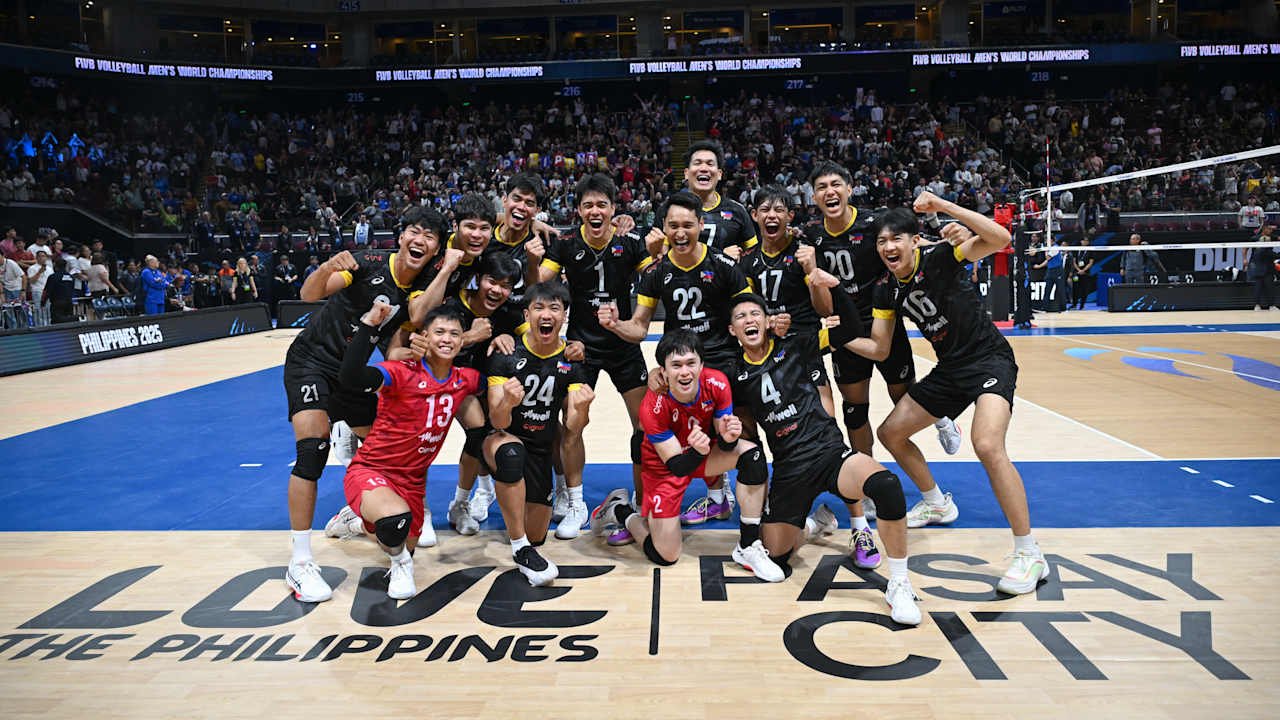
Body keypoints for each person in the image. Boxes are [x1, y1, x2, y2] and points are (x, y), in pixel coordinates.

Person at [868, 192, 1049, 595]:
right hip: (950, 369)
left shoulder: (940, 259)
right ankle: (936, 502)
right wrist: (832, 334)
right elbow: (879, 347)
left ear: (916, 241)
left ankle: (1029, 552)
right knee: (891, 433)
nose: (889, 246)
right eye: (882, 241)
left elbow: (1001, 238)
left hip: (988, 360)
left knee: (986, 444)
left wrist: (945, 208)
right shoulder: (886, 289)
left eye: (897, 238)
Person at [722, 290, 921, 623]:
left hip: (828, 452)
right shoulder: (734, 376)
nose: (749, 320)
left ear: (768, 320)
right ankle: (816, 523)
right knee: (775, 556)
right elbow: (745, 431)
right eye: (740, 317)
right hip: (788, 468)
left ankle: (899, 584)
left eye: (755, 314)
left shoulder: (798, 344)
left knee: (887, 486)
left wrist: (834, 289)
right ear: (732, 331)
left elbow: (849, 329)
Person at [281, 205, 443, 603]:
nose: (418, 240)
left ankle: (357, 510)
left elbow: (395, 343)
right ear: (401, 236)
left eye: (429, 236)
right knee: (312, 451)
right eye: (413, 231)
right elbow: (309, 294)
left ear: (436, 248)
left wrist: (409, 353)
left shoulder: (422, 289)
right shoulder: (367, 261)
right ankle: (300, 561)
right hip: (312, 363)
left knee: (387, 452)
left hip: (353, 374)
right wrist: (324, 267)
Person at [803, 162, 962, 518]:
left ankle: (940, 417)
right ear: (813, 196)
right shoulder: (811, 236)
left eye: (836, 185)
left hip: (884, 320)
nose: (830, 192)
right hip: (846, 329)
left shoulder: (875, 223)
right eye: (822, 187)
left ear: (849, 188)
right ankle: (869, 482)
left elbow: (906, 245)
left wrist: (950, 240)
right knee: (854, 411)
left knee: (903, 398)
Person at [598, 191, 753, 527]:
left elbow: (747, 315)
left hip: (721, 361)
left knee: (731, 426)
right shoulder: (656, 272)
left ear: (701, 224)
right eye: (673, 226)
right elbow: (639, 328)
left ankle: (732, 499)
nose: (680, 232)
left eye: (687, 224)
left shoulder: (724, 266)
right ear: (664, 228)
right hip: (678, 365)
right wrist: (615, 324)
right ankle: (650, 503)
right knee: (650, 431)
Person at [592, 330, 781, 580]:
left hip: (701, 452)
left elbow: (724, 447)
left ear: (702, 364)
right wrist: (696, 450)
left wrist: (728, 437)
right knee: (665, 555)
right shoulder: (652, 406)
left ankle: (748, 546)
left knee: (752, 455)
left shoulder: (717, 383)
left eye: (691, 363)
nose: (685, 372)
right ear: (663, 371)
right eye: (676, 365)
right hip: (664, 466)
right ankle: (621, 511)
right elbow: (678, 467)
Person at [333, 301, 482, 599]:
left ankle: (357, 521)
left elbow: (496, 383)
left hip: (412, 483)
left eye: (454, 333)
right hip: (372, 469)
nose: (447, 339)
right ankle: (400, 565)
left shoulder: (465, 378)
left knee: (398, 532)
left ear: (462, 340)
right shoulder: (401, 371)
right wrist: (369, 326)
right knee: (395, 524)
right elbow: (350, 378)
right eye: (439, 332)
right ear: (424, 336)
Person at [537, 173, 655, 542]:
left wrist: (657, 249)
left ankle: (642, 497)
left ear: (614, 209)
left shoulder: (629, 242)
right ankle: (575, 502)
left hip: (622, 345)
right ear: (578, 210)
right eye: (588, 204)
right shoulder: (566, 243)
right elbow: (540, 285)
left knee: (644, 427)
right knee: (573, 423)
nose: (595, 210)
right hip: (581, 348)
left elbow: (656, 277)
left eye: (602, 204)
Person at [483, 281, 595, 586]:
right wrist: (507, 400)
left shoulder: (572, 363)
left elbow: (572, 427)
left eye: (554, 309)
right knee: (510, 454)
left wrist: (583, 409)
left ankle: (520, 510)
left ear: (565, 316)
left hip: (542, 448)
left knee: (538, 534)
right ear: (526, 314)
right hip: (504, 438)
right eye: (539, 308)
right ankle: (519, 548)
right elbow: (498, 419)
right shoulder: (506, 354)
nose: (546, 315)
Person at [682, 140, 758, 258]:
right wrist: (721, 257)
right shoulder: (668, 211)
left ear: (719, 174)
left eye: (710, 164)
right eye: (697, 163)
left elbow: (753, 259)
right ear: (686, 173)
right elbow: (660, 261)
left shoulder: (737, 210)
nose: (703, 168)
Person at [1246, 224, 1277, 311]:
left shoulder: (1272, 237)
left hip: (1269, 264)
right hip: (1258, 265)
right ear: (1264, 229)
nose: (1271, 231)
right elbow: (1245, 247)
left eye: (1272, 229)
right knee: (1258, 286)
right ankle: (1257, 305)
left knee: (1269, 286)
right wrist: (1245, 259)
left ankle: (1271, 305)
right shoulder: (1254, 238)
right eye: (1269, 229)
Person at [43, 256, 77, 324]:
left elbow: (47, 291)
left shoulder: (53, 277)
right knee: (70, 321)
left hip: (57, 303)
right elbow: (72, 289)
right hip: (69, 302)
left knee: (57, 322)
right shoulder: (71, 277)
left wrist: (43, 302)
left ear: (55, 265)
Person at [1069, 240, 1095, 310]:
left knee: (1084, 289)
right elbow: (1074, 261)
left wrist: (1083, 270)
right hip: (1076, 273)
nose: (1084, 242)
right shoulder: (1077, 249)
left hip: (1086, 273)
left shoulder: (1090, 250)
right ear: (1081, 241)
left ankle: (1082, 305)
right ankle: (1074, 305)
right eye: (1083, 240)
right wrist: (1078, 270)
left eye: (1086, 241)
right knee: (1075, 288)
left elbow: (1091, 262)